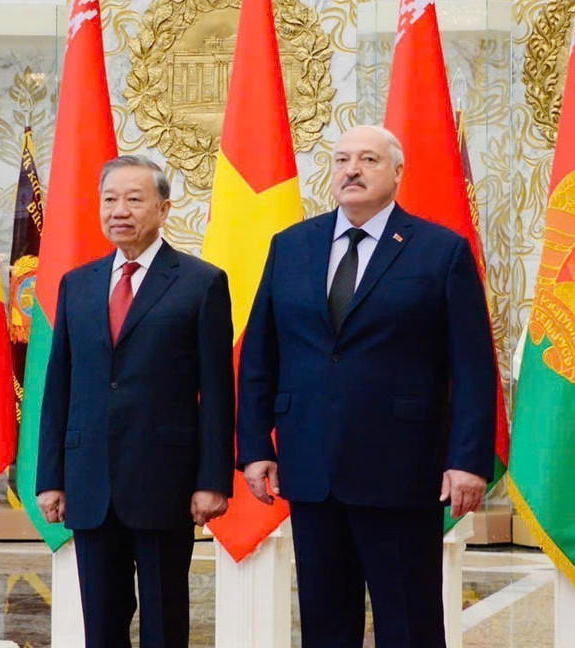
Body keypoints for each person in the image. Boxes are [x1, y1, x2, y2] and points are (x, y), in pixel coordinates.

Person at [237, 125, 496, 648]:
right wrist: (255, 447)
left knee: (409, 623)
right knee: (325, 624)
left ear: (398, 173)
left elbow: (472, 366)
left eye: (369, 159)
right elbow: (260, 354)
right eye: (341, 160)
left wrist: (468, 458)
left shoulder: (439, 251)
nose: (351, 170)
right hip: (309, 466)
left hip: (401, 468)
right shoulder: (291, 246)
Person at [36, 155, 235, 648]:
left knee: (165, 622)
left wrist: (213, 480)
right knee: (100, 624)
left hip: (164, 480)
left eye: (133, 198)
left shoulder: (201, 282)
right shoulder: (76, 284)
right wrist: (51, 476)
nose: (118, 210)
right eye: (109, 199)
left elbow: (217, 392)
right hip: (89, 480)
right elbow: (59, 383)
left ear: (164, 209)